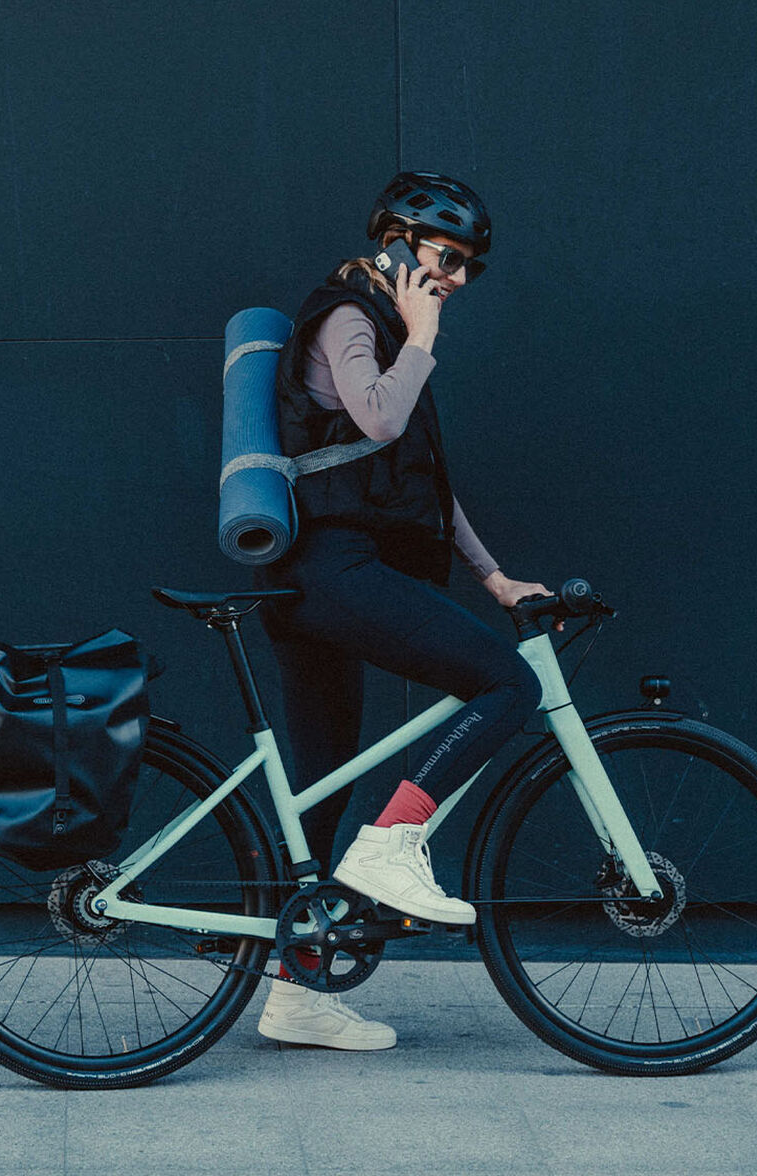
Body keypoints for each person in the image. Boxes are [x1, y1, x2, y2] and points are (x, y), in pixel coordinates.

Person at [252, 171, 553, 1051]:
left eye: (469, 268)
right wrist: (420, 337)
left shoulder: (385, 324)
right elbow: (380, 419)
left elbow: (421, 482)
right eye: (445, 258)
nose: (456, 278)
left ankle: (295, 992)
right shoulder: (351, 317)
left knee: (322, 782)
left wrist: (493, 579)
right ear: (394, 243)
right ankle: (394, 844)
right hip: (332, 570)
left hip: (320, 578)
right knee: (505, 684)